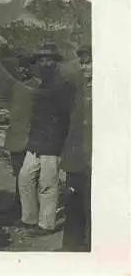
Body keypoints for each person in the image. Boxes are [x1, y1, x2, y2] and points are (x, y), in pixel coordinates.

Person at [17, 43, 74, 236]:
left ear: (56, 62)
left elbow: (66, 117)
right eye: (41, 60)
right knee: (25, 179)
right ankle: (29, 219)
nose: (44, 63)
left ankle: (46, 224)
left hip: (53, 143)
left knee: (47, 184)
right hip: (36, 143)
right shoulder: (41, 84)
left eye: (49, 59)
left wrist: (61, 144)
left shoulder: (64, 85)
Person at [60, 45, 92, 251]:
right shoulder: (78, 92)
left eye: (88, 62)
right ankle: (70, 251)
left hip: (96, 163)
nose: (84, 67)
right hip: (77, 162)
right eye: (82, 62)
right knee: (73, 206)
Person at [3, 55, 41, 218]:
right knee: (18, 173)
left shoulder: (38, 86)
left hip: (30, 137)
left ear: (32, 68)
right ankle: (18, 204)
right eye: (20, 67)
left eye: (26, 67)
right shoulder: (16, 86)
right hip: (15, 136)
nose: (22, 70)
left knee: (30, 176)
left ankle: (31, 209)